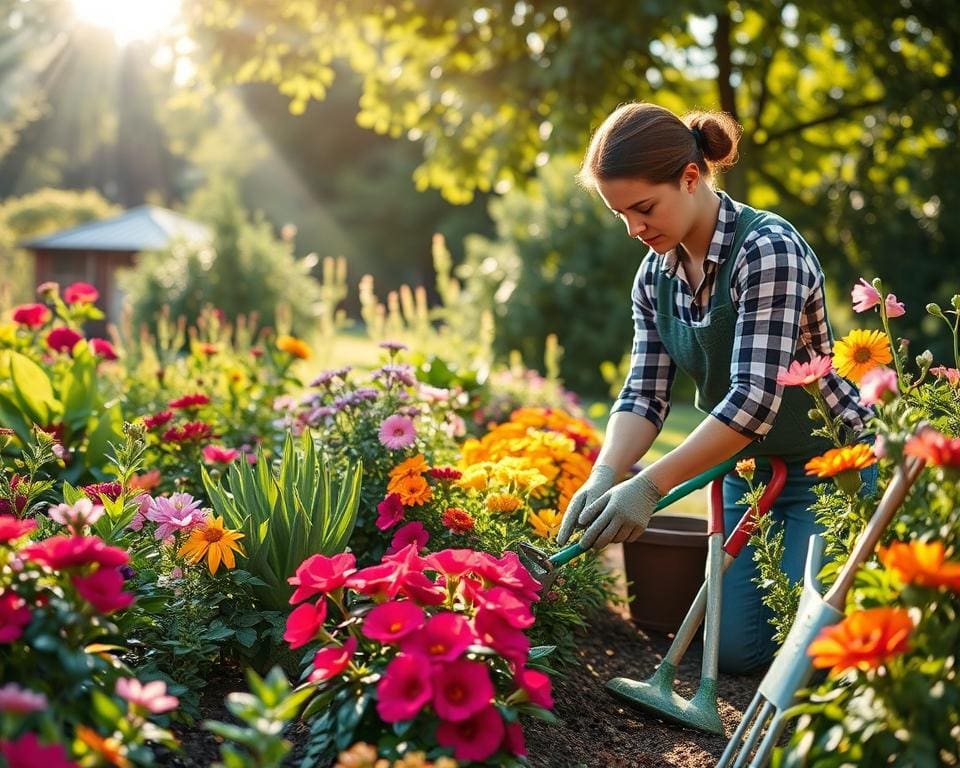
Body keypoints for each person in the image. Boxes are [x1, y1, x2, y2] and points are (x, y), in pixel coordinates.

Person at [556, 103, 875, 673]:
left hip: (833, 466)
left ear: (690, 176)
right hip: (747, 475)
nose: (634, 228)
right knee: (729, 653)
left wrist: (649, 487)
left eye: (644, 208)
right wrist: (606, 472)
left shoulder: (767, 249)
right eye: (620, 214)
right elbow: (644, 395)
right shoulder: (654, 277)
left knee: (809, 657)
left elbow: (754, 400)